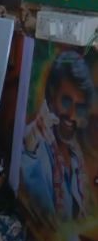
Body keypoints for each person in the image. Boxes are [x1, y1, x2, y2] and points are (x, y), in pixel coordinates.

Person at [22, 50, 94, 223]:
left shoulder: (76, 155)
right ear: (51, 95)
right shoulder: (33, 142)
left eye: (79, 107)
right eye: (66, 101)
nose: (72, 114)